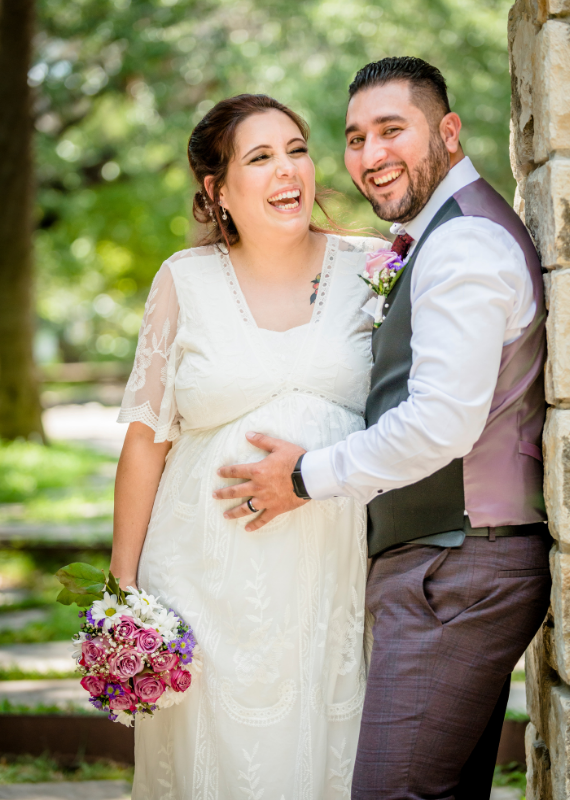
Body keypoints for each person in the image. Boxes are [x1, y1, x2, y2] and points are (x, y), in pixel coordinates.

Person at [214, 58, 552, 799]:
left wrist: (304, 476)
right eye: (355, 138)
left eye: (392, 130)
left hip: (458, 572)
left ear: (450, 131)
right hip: (448, 568)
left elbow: (439, 424)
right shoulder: (439, 237)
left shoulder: (463, 245)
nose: (371, 156)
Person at [110, 93, 383, 799]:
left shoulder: (374, 268)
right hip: (200, 581)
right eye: (259, 157)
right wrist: (123, 592)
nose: (287, 169)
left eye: (296, 149)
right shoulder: (183, 280)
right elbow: (146, 441)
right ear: (217, 189)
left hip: (331, 580)